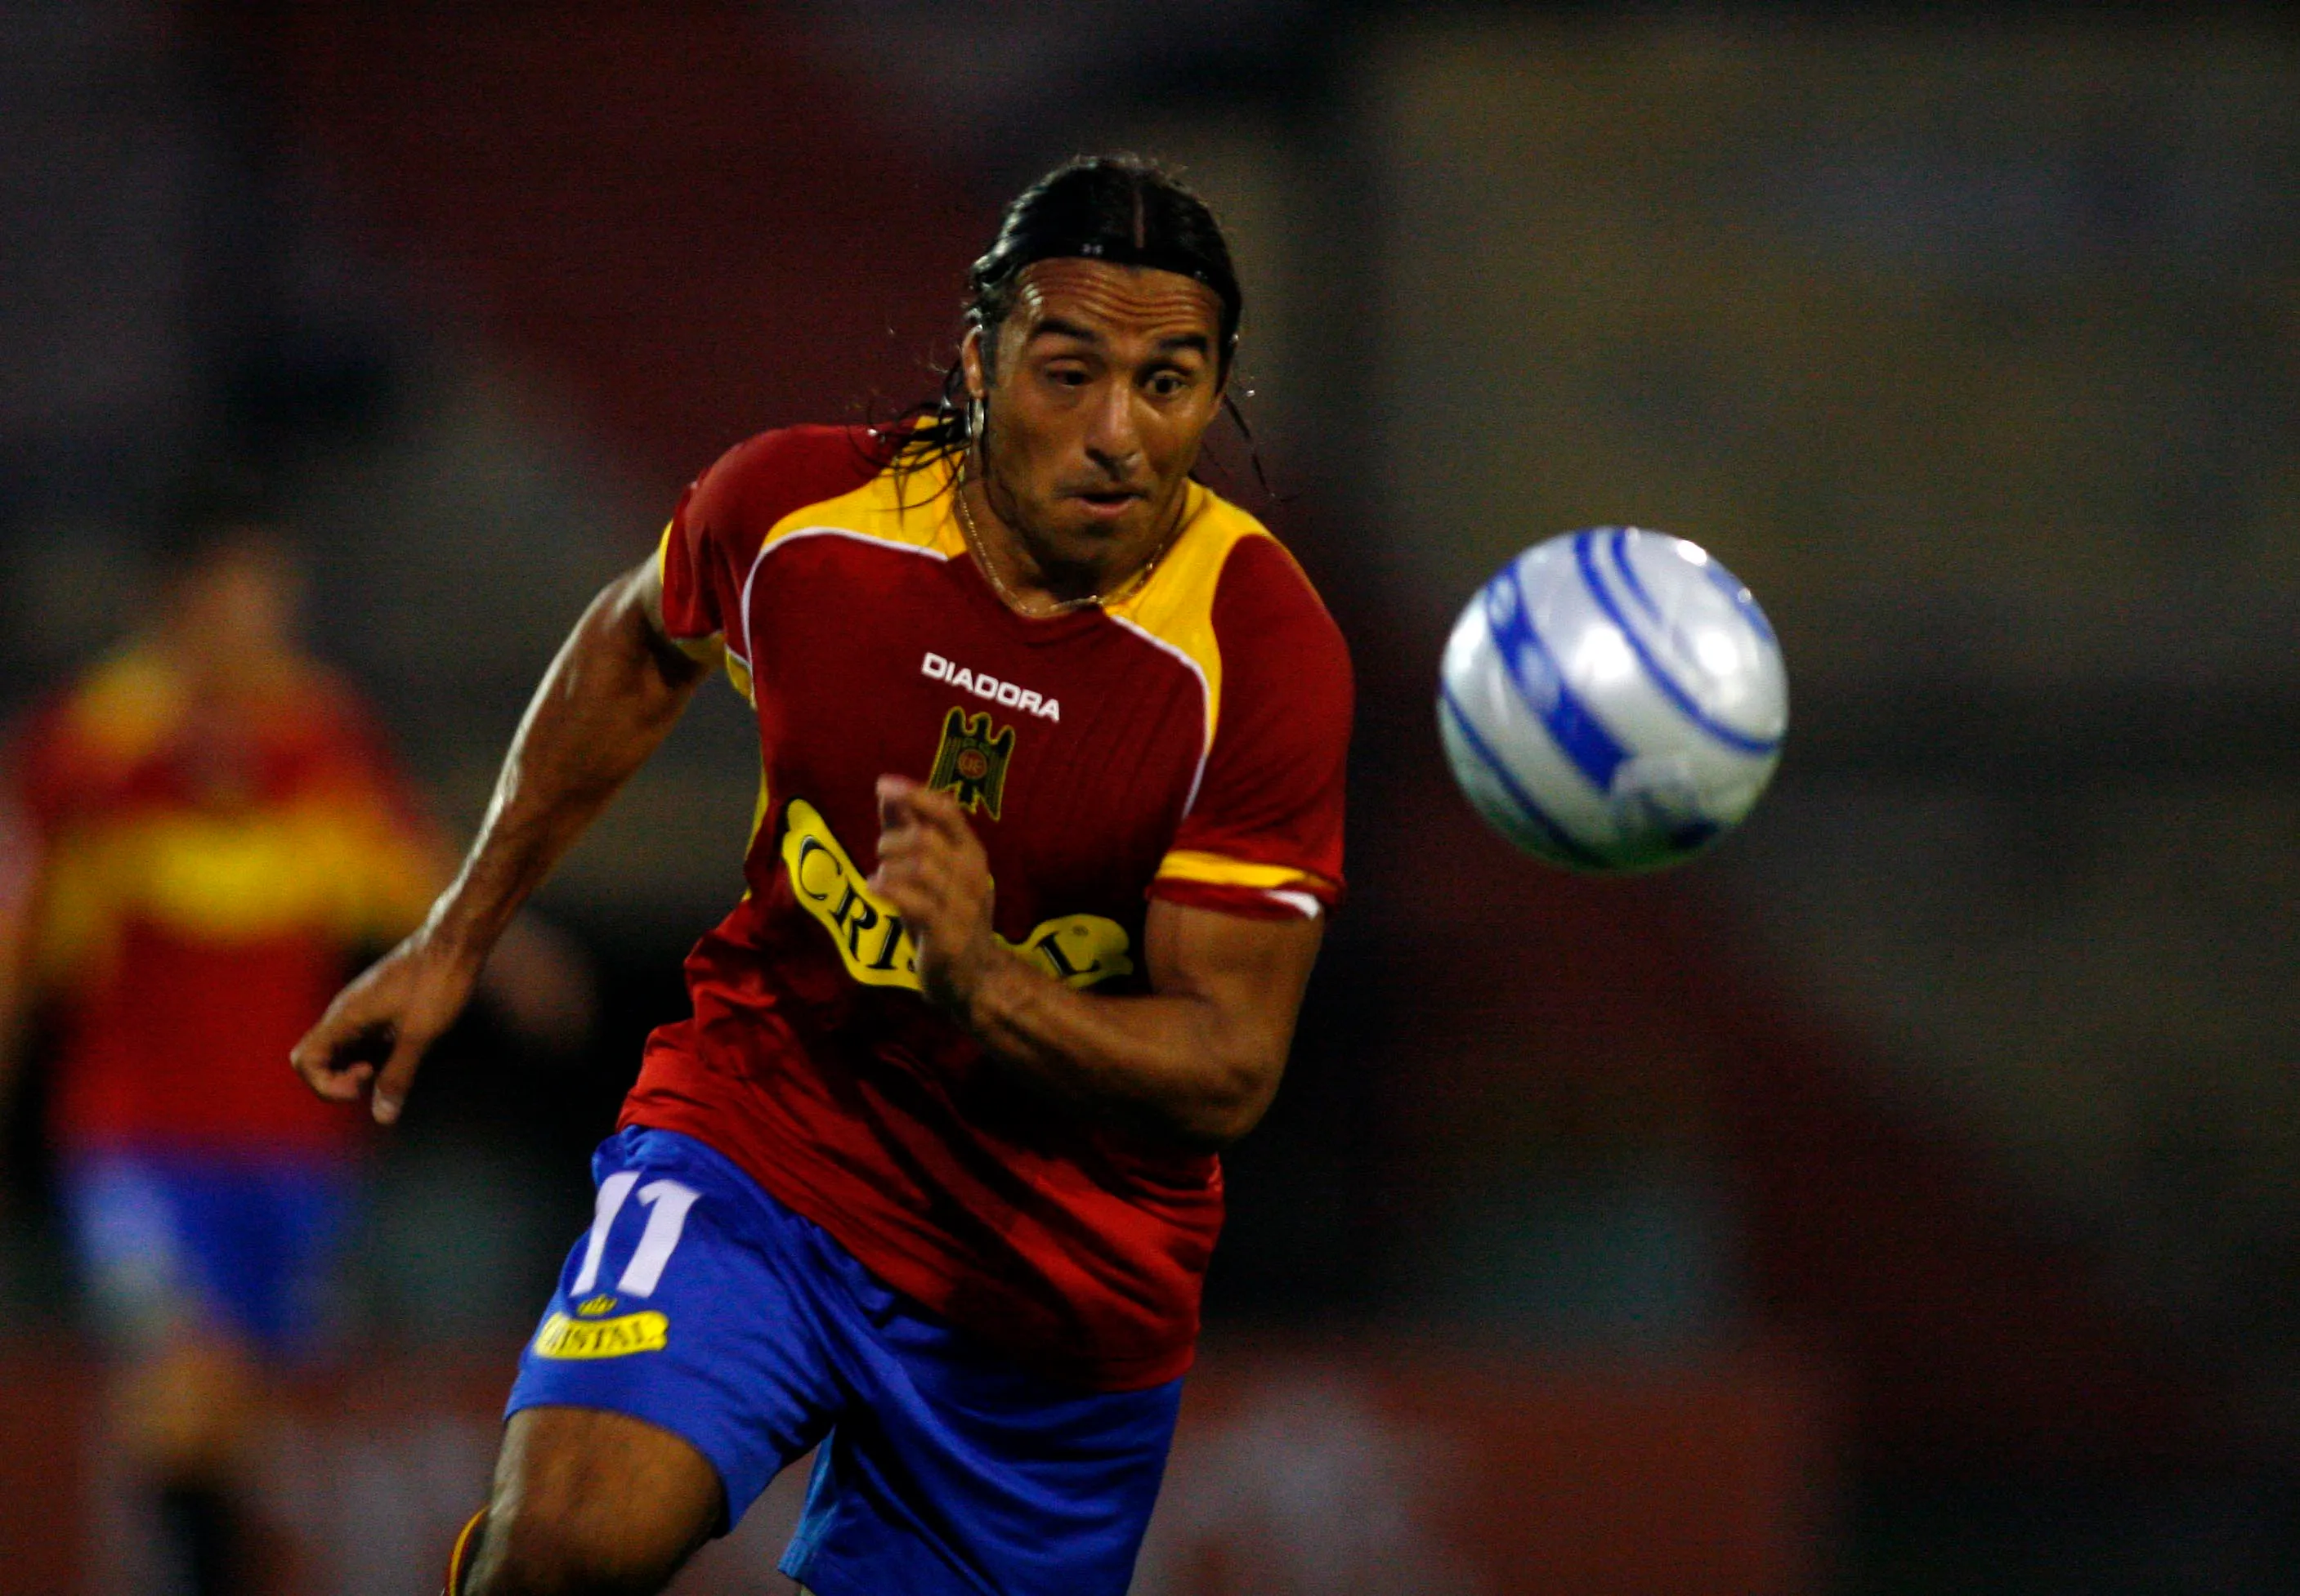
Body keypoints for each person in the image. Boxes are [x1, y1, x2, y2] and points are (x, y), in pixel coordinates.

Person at [293, 155, 1354, 1596]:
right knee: (560, 1547)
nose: (1118, 434)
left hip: (1054, 1280)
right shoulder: (805, 516)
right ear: (978, 363)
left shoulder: (1259, 653)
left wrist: (982, 982)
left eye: (1167, 384)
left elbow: (1228, 1067)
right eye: (1068, 374)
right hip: (770, 1133)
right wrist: (455, 934)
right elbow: (639, 641)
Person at [0, 489, 456, 1595]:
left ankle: (212, 1569)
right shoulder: (87, 740)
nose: (265, 618)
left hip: (292, 1139)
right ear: (180, 597)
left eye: (276, 596)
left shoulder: (321, 727)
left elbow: (410, 871)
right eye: (246, 594)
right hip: (139, 1136)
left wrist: (511, 953)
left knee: (239, 1412)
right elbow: (22, 930)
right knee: (180, 1379)